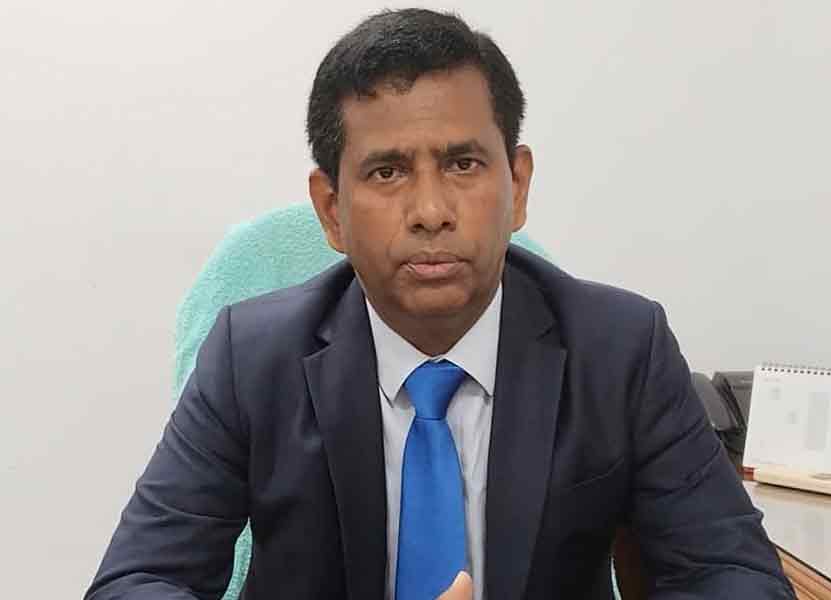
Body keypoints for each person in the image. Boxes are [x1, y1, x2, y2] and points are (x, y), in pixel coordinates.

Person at [86, 8, 794, 600]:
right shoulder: (251, 358)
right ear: (331, 211)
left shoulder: (622, 350)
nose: (430, 210)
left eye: (462, 164)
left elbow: (736, 575)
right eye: (387, 172)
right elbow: (138, 581)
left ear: (517, 185)